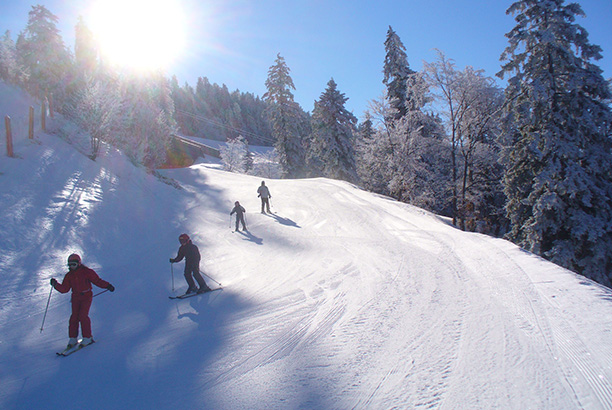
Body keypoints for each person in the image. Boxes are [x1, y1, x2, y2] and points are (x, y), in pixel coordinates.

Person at [50, 253, 115, 349]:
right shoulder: (69, 275)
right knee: (74, 317)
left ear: (79, 263)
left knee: (83, 316)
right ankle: (73, 338)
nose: (72, 267)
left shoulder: (87, 272)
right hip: (75, 297)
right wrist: (55, 285)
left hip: (86, 296)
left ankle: (87, 337)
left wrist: (107, 285)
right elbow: (64, 289)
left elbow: (97, 281)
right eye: (70, 265)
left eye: (74, 264)